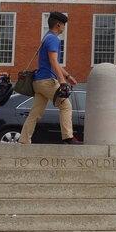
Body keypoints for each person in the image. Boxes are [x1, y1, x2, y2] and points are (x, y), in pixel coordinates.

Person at [19, 12, 79, 145]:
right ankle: (68, 137)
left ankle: (23, 140)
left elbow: (53, 62)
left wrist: (67, 76)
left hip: (38, 81)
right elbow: (53, 61)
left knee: (35, 113)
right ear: (58, 24)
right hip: (47, 80)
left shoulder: (46, 37)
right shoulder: (54, 39)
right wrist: (62, 81)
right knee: (65, 106)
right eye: (64, 25)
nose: (64, 27)